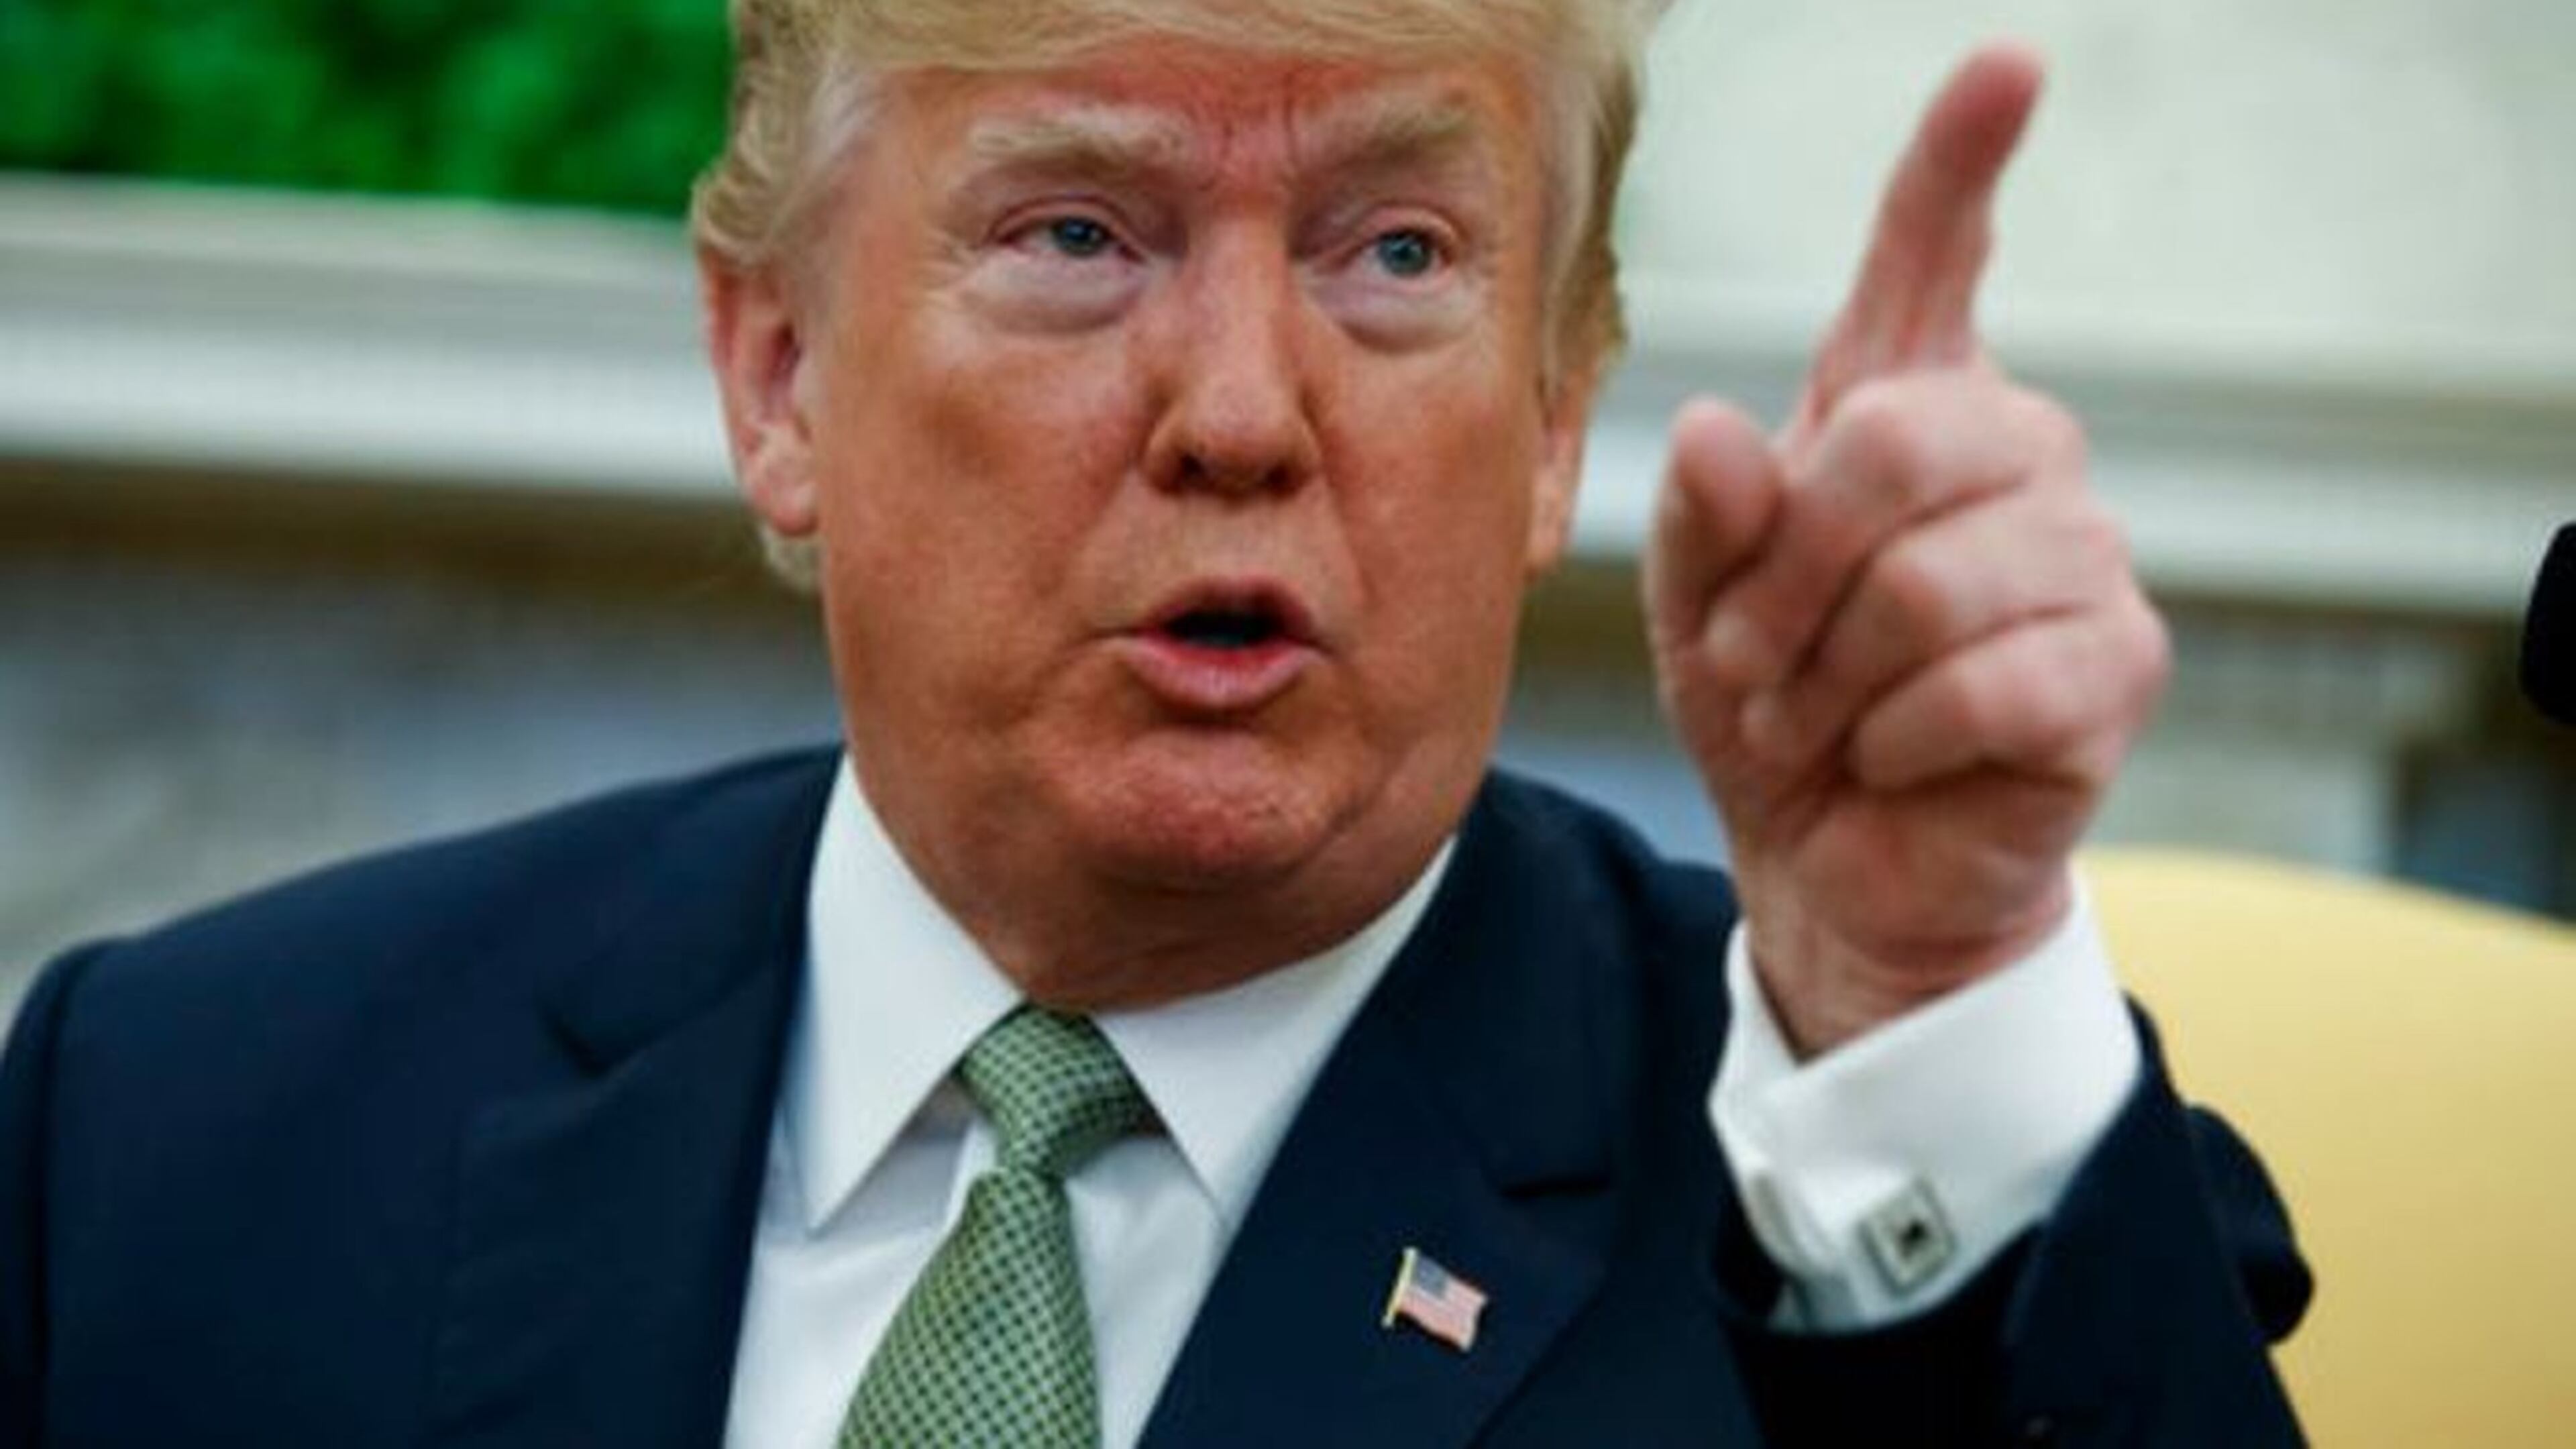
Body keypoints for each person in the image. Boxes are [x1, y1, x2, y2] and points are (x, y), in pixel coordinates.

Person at [0, 2, 2310, 1444]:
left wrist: (1926, 999)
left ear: (1552, 408)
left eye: (1395, 252)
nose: (1237, 414)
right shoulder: (171, 1143)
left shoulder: (1872, 1227)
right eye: (1080, 234)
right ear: (777, 376)